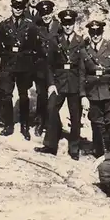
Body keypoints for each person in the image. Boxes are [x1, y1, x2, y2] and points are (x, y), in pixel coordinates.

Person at [34, 9, 86, 161]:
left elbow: (82, 67)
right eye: (65, 23)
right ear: (62, 24)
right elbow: (49, 65)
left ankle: (74, 148)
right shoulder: (54, 40)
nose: (68, 26)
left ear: (74, 24)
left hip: (75, 82)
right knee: (51, 109)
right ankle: (50, 145)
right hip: (58, 82)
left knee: (75, 115)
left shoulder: (80, 41)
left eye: (70, 23)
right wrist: (51, 84)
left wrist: (82, 87)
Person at [0, 0, 43, 140]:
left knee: (24, 96)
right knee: (6, 96)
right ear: (11, 7)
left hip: (24, 65)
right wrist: (5, 55)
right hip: (8, 65)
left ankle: (24, 126)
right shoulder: (4, 24)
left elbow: (37, 46)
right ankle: (8, 125)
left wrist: (29, 59)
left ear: (24, 8)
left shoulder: (30, 25)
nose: (18, 9)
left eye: (20, 6)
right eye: (15, 6)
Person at [82, 19, 110, 157]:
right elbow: (81, 74)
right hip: (93, 92)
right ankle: (99, 153)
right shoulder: (84, 50)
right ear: (89, 33)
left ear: (102, 32)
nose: (95, 35)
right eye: (92, 32)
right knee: (96, 123)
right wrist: (83, 96)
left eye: (98, 32)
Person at [33, 0, 61, 136]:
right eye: (43, 14)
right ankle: (40, 122)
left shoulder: (60, 27)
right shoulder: (38, 28)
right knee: (41, 96)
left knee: (54, 98)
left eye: (48, 13)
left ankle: (52, 125)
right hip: (41, 68)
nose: (46, 16)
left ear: (52, 12)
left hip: (56, 68)